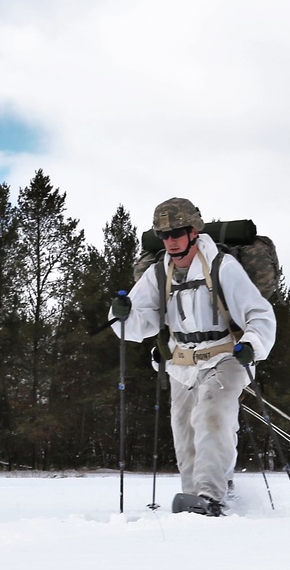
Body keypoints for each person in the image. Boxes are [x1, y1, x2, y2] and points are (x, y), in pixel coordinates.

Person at [109, 197, 276, 516]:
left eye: (178, 232)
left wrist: (253, 343)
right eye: (164, 235)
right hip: (181, 362)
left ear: (194, 231)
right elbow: (140, 321)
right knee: (184, 433)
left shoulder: (222, 267)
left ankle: (211, 497)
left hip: (225, 356)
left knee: (213, 417)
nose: (171, 240)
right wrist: (123, 315)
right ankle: (196, 496)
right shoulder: (159, 272)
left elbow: (260, 314)